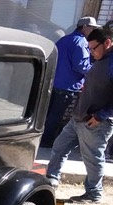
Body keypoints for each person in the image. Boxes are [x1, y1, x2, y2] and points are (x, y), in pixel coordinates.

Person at [46, 26, 113, 203]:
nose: (91, 53)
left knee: (92, 159)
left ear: (107, 42)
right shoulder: (101, 59)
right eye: (89, 49)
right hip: (79, 118)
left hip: (96, 122)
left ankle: (94, 193)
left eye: (93, 48)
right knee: (59, 146)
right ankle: (51, 179)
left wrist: (100, 116)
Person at [40, 17, 98, 148]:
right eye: (92, 28)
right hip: (68, 86)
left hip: (54, 83)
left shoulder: (64, 39)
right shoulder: (81, 42)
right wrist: (97, 70)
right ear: (84, 27)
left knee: (48, 114)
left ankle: (41, 138)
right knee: (56, 116)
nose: (93, 31)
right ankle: (46, 141)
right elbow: (81, 67)